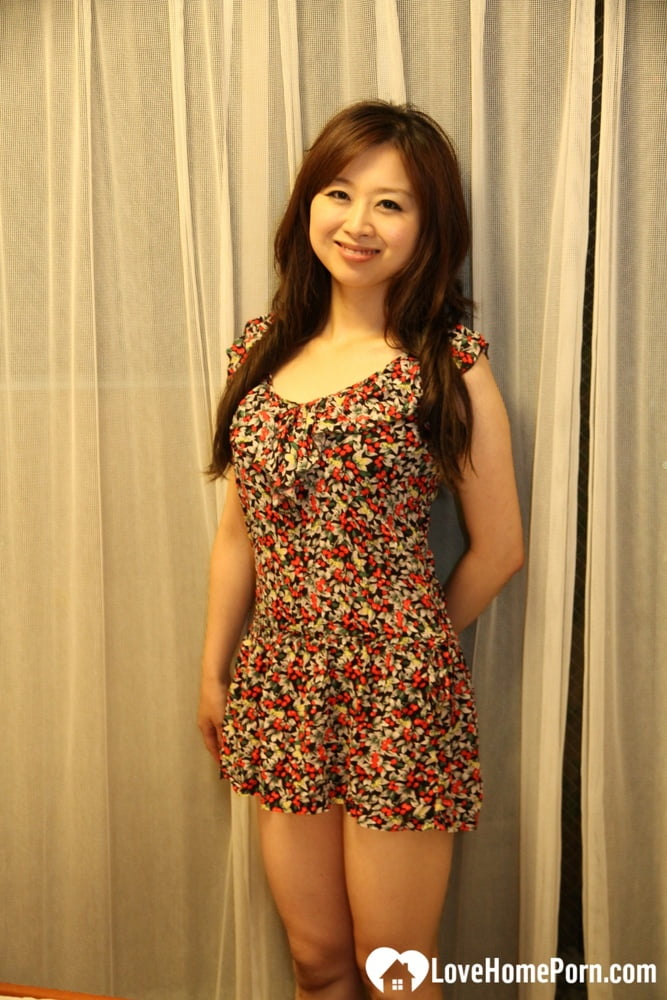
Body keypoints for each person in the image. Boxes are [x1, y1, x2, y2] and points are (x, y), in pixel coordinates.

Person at [197, 100, 523, 1000]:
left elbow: (499, 547)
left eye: (391, 203)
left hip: (396, 696)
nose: (358, 222)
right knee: (317, 962)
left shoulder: (446, 361)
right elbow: (239, 530)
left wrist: (403, 641)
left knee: (394, 973)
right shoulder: (261, 351)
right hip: (280, 685)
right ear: (308, 203)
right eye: (339, 193)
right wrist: (213, 669)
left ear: (428, 226)